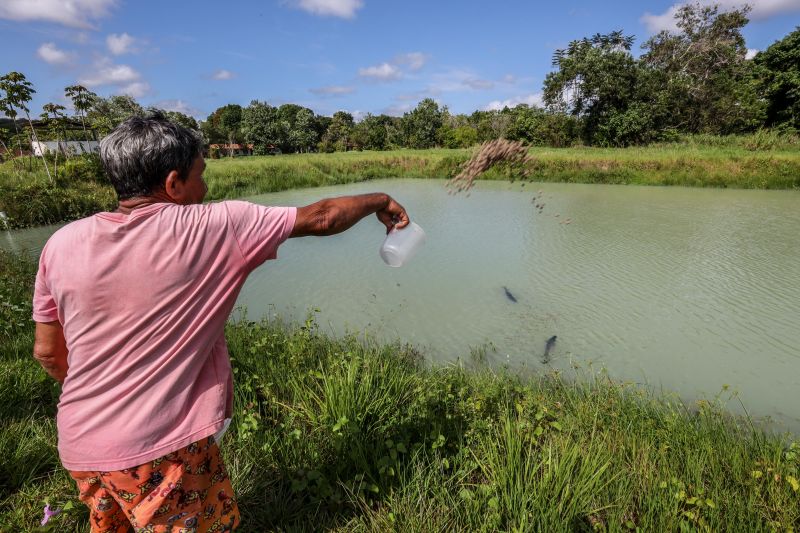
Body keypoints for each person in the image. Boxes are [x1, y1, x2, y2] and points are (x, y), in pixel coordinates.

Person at [31, 112, 409, 532]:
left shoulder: (60, 243)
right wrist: (380, 200)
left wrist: (105, 401)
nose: (206, 187)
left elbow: (48, 352)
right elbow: (322, 217)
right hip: (159, 451)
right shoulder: (214, 225)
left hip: (81, 444)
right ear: (173, 184)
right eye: (200, 175)